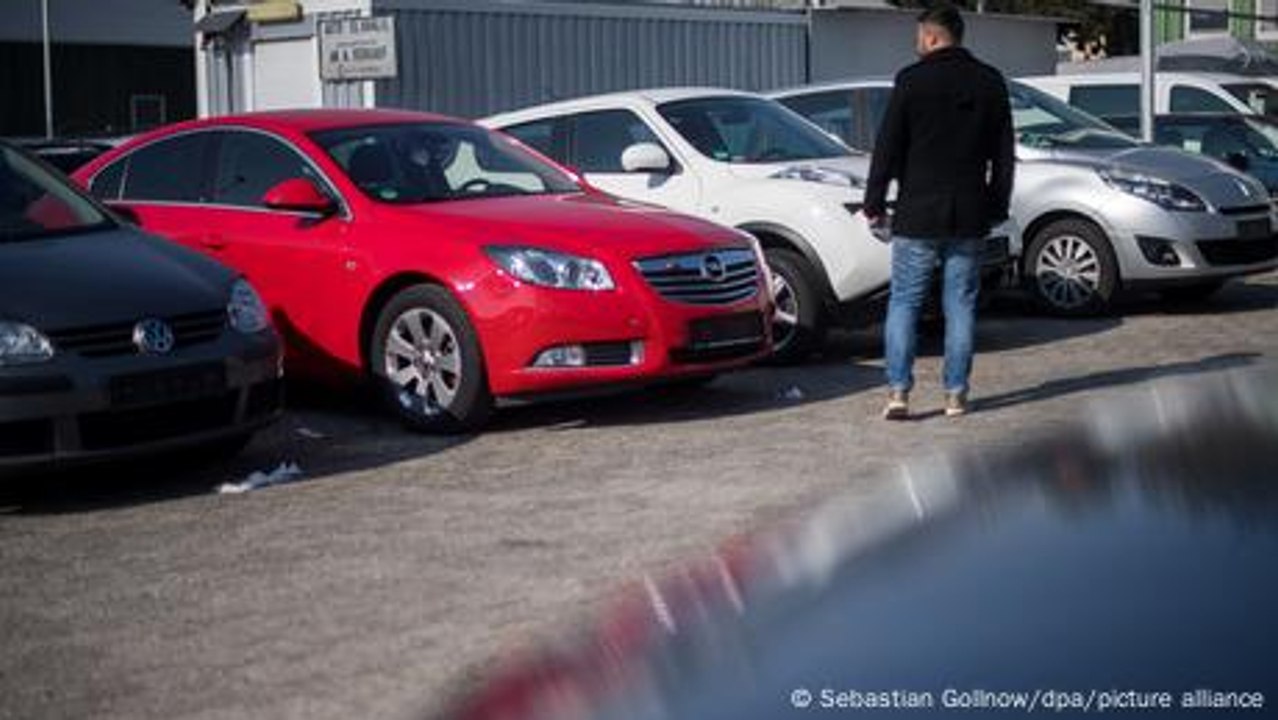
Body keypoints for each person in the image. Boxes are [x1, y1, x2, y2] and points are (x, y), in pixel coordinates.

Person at [863, 1, 1014, 421]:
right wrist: (997, 205)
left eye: (919, 37)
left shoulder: (911, 81)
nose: (917, 44)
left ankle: (898, 391)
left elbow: (887, 148)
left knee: (905, 302)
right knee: (960, 305)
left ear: (931, 37)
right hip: (969, 212)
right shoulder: (990, 81)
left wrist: (874, 203)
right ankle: (955, 394)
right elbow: (1004, 155)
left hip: (917, 211)